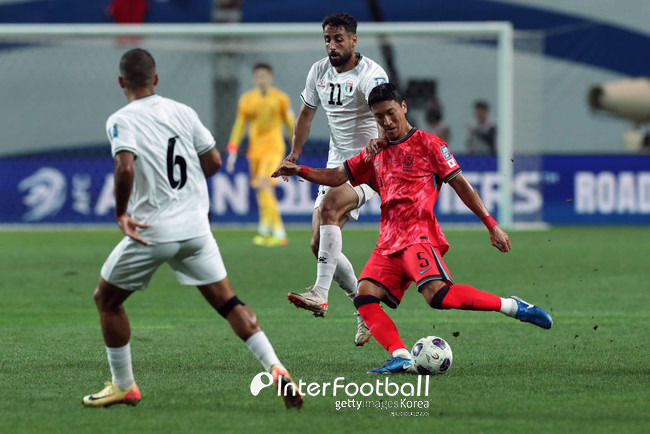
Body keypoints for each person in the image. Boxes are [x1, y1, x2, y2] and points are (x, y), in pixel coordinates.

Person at [273, 83, 552, 374]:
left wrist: (492, 226)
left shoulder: (430, 145)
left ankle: (512, 306)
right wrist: (300, 170)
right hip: (388, 243)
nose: (387, 122)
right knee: (365, 298)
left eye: (391, 113)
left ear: (404, 107)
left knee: (439, 297)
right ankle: (402, 356)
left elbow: (461, 185)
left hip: (419, 235)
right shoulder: (373, 153)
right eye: (379, 117)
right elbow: (336, 176)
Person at [82, 48, 302, 408]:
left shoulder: (120, 119)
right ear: (156, 80)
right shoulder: (183, 111)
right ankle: (276, 367)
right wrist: (187, 193)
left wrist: (122, 214)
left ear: (121, 82)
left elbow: (124, 167)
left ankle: (124, 385)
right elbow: (213, 160)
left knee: (106, 300)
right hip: (196, 229)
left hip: (153, 230)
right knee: (230, 302)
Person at [276, 12, 388, 347]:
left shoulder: (371, 73)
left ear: (354, 40)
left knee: (329, 208)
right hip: (336, 164)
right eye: (327, 38)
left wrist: (380, 138)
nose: (332, 45)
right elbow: (305, 116)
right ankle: (366, 309)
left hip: (368, 165)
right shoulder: (318, 72)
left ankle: (320, 293)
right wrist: (294, 154)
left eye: (339, 39)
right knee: (317, 243)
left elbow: (384, 109)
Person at [226, 63, 294, 247]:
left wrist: (296, 147)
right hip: (255, 150)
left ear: (271, 78)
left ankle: (279, 233)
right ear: (254, 79)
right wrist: (232, 150)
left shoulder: (280, 99)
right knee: (261, 188)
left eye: (265, 76)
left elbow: (290, 123)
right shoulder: (247, 99)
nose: (262, 79)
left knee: (264, 184)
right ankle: (265, 230)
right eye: (259, 76)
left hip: (273, 147)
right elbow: (240, 125)